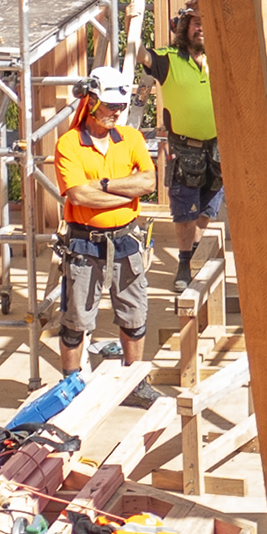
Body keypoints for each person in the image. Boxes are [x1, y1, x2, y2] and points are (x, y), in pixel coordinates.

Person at [45, 66, 157, 360]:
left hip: (125, 241)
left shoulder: (130, 138)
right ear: (92, 101)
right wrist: (127, 196)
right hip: (85, 244)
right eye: (111, 105)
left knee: (134, 318)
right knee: (75, 324)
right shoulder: (69, 144)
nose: (117, 112)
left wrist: (104, 185)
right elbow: (79, 195)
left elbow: (148, 182)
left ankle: (135, 379)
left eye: (120, 106)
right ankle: (71, 381)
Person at [140, 0, 224, 302]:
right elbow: (140, 54)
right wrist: (132, 22)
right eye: (195, 22)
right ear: (185, 27)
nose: (201, 28)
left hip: (217, 148)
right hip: (185, 148)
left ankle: (194, 255)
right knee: (184, 210)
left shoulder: (220, 58)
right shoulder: (169, 59)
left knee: (206, 209)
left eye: (206, 22)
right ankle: (185, 263)